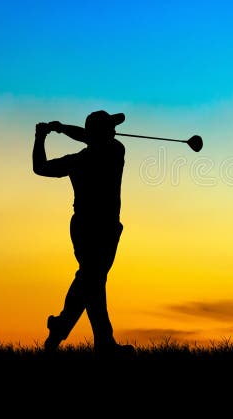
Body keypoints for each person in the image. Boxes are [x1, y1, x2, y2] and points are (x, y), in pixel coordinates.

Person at [32, 110, 134, 354]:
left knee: (91, 281)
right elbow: (42, 167)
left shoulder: (87, 158)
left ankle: (61, 327)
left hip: (96, 227)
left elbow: (40, 167)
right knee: (93, 279)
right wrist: (61, 128)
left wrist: (44, 135)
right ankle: (104, 343)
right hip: (95, 227)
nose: (115, 131)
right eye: (110, 127)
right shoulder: (113, 151)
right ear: (100, 133)